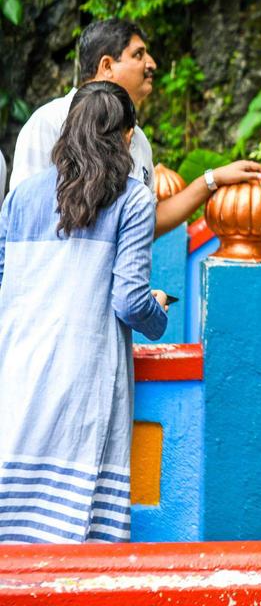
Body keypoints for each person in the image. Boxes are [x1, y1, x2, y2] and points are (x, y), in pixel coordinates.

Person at [0, 82, 168, 544]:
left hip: (16, 370)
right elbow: (130, 300)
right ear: (128, 138)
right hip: (84, 375)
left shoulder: (19, 197)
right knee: (78, 542)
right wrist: (159, 315)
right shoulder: (133, 199)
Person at [10, 19, 261, 236]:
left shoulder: (137, 139)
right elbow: (24, 215)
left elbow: (146, 221)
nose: (151, 64)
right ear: (107, 66)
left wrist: (211, 180)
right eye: (138, 54)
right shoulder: (50, 123)